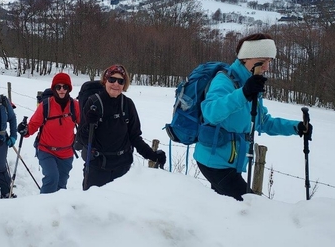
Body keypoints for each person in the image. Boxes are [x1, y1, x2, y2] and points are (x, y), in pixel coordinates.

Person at [193, 33, 313, 201]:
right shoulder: (225, 80)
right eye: (263, 61)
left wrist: (296, 127)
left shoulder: (250, 84)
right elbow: (211, 113)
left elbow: (263, 122)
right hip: (214, 161)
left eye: (269, 61)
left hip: (232, 162)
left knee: (227, 209)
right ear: (246, 58)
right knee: (249, 208)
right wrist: (243, 94)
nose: (267, 68)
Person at [78, 64, 166, 190]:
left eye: (120, 81)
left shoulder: (127, 104)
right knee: (92, 208)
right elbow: (82, 138)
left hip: (123, 169)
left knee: (119, 208)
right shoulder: (94, 103)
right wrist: (89, 122)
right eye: (112, 79)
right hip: (98, 168)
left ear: (125, 85)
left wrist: (152, 155)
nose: (116, 84)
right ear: (105, 81)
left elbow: (135, 136)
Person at [18, 73, 80, 194]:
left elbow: (84, 125)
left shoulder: (74, 106)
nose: (62, 90)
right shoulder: (45, 105)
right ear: (54, 88)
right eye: (58, 87)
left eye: (65, 87)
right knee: (52, 178)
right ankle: (43, 209)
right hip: (46, 149)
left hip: (67, 152)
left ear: (69, 88)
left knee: (61, 184)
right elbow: (34, 125)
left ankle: (59, 209)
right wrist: (25, 130)